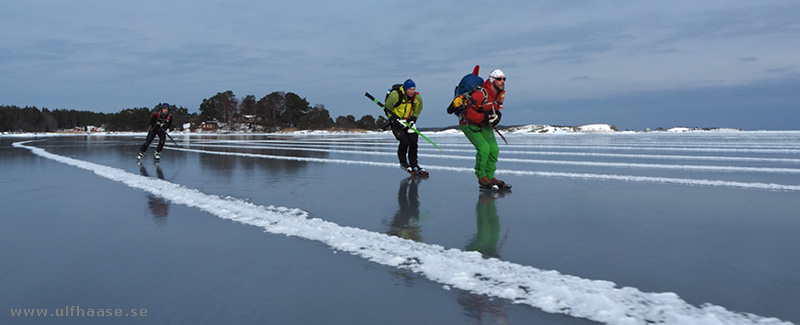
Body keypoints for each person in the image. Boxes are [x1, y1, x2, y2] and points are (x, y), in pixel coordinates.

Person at [457, 69, 509, 189]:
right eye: (499, 79)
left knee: (494, 149)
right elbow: (468, 113)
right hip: (469, 124)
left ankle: (490, 177)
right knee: (484, 149)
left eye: (503, 79)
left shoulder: (498, 94)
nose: (502, 81)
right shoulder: (481, 94)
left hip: (484, 125)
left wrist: (496, 116)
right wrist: (485, 117)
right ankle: (482, 177)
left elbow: (493, 110)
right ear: (492, 80)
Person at [384, 79, 427, 175]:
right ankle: (403, 163)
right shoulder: (395, 95)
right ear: (405, 89)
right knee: (404, 141)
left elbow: (419, 107)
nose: (412, 91)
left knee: (413, 142)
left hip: (408, 122)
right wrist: (393, 119)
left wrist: (414, 118)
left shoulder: (416, 97)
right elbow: (387, 108)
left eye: (413, 89)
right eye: (410, 89)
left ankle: (414, 165)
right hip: (396, 122)